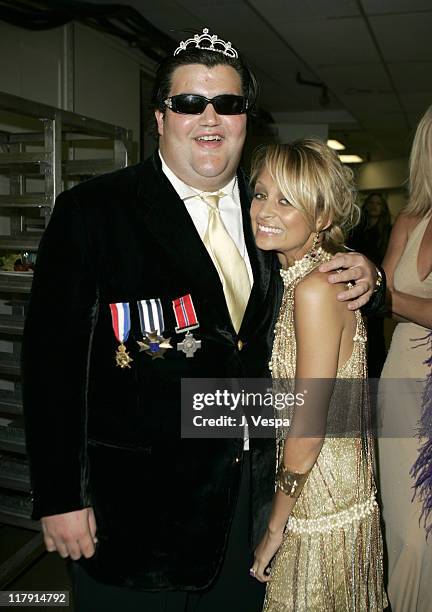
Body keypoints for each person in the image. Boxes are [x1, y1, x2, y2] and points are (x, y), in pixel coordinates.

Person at [22, 29, 382, 612]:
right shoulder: (95, 212)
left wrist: (369, 273)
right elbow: (49, 364)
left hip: (246, 506)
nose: (209, 117)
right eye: (189, 103)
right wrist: (60, 496)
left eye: (228, 104)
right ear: (160, 117)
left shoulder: (268, 209)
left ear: (246, 119)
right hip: (135, 516)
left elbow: (316, 282)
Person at [249, 141, 387, 611]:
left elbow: (306, 432)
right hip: (331, 487)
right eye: (260, 193)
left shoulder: (314, 289)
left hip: (318, 497)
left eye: (286, 200)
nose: (264, 210)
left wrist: (274, 527)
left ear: (322, 216)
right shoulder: (303, 276)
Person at [377, 105, 432, 612]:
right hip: (406, 384)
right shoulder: (410, 219)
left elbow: (384, 295)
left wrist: (386, 297)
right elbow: (379, 295)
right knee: (411, 534)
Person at [349, 192, 392, 376]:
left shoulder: (388, 231)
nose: (374, 206)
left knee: (376, 331)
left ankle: (376, 370)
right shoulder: (358, 229)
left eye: (379, 203)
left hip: (379, 283)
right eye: (372, 203)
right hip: (356, 281)